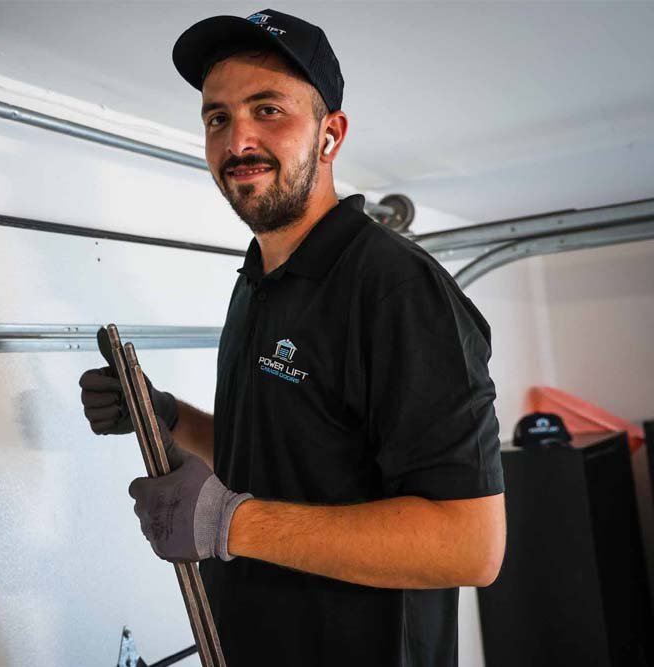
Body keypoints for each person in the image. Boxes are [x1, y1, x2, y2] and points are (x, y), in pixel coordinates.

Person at [79, 8, 505, 666]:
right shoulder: (257, 282)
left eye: (268, 108)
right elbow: (277, 462)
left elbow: (470, 543)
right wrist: (167, 416)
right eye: (217, 117)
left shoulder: (395, 288)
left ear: (330, 135)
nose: (237, 139)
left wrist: (229, 523)